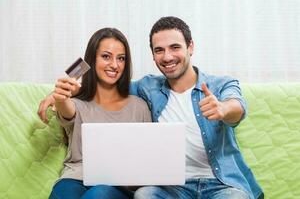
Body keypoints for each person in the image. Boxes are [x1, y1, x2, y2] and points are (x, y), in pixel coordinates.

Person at [39, 17, 263, 199]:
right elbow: (105, 81)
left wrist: (223, 109)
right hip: (173, 188)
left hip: (221, 184)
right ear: (153, 54)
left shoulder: (220, 85)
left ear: (191, 47)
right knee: (143, 195)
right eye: (159, 50)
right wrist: (59, 91)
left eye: (175, 47)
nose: (167, 57)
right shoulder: (149, 89)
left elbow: (237, 107)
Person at [48, 28, 151, 199]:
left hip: (118, 185)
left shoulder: (139, 106)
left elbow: (146, 159)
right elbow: (64, 99)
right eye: (105, 56)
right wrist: (57, 95)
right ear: (92, 59)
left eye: (121, 58)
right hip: (75, 178)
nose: (115, 65)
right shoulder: (77, 104)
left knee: (99, 194)